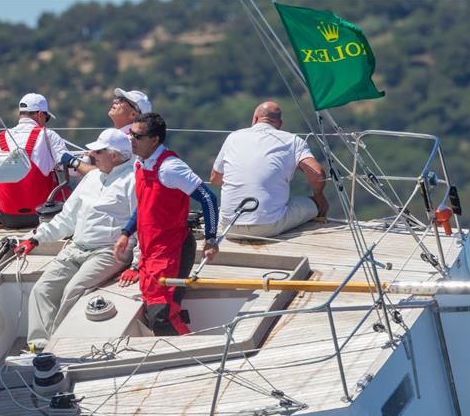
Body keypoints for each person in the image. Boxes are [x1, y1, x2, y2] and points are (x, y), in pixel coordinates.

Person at [14, 128, 137, 350]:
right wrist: (35, 239)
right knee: (42, 290)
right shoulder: (91, 178)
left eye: (97, 152)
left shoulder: (134, 181)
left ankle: (56, 347)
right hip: (76, 248)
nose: (90, 156)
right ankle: (39, 347)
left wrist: (136, 265)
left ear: (115, 156)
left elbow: (141, 226)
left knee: (73, 290)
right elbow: (67, 219)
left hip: (109, 251)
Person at [114, 113, 219, 336]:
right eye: (130, 134)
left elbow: (208, 198)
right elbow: (144, 205)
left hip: (173, 250)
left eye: (138, 136)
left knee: (161, 315)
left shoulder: (170, 168)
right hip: (151, 251)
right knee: (155, 311)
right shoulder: (140, 164)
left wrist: (211, 240)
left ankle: (190, 357)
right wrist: (126, 232)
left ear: (154, 140)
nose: (131, 139)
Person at [209, 101, 328, 239]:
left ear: (254, 119)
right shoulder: (293, 141)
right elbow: (318, 174)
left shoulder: (233, 137)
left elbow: (215, 179)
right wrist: (318, 195)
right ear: (280, 124)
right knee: (314, 204)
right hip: (269, 226)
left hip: (228, 226)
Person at [0, 93, 69, 229]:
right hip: (41, 216)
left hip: (8, 217)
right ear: (40, 114)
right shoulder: (48, 135)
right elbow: (71, 170)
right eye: (47, 117)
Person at [69, 88, 152, 178]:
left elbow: (104, 175)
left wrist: (74, 162)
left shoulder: (129, 141)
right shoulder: (126, 139)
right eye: (118, 98)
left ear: (133, 114)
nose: (115, 101)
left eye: (122, 100)